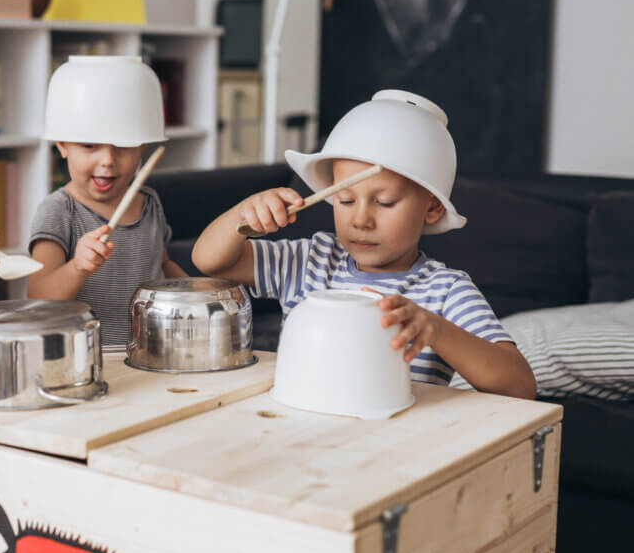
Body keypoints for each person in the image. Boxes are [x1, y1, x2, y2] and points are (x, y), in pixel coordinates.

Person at [192, 90, 536, 399]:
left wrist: (436, 330)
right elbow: (211, 262)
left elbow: (519, 386)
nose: (361, 220)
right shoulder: (310, 261)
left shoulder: (446, 291)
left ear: (431, 207)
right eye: (344, 200)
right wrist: (245, 214)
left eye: (384, 203)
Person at [27, 55, 185, 347]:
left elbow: (162, 265)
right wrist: (78, 267)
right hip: (84, 361)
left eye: (123, 146)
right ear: (62, 144)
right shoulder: (59, 211)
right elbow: (38, 296)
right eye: (89, 146)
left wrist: (195, 294)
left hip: (151, 352)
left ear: (142, 147)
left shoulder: (150, 202)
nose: (108, 161)